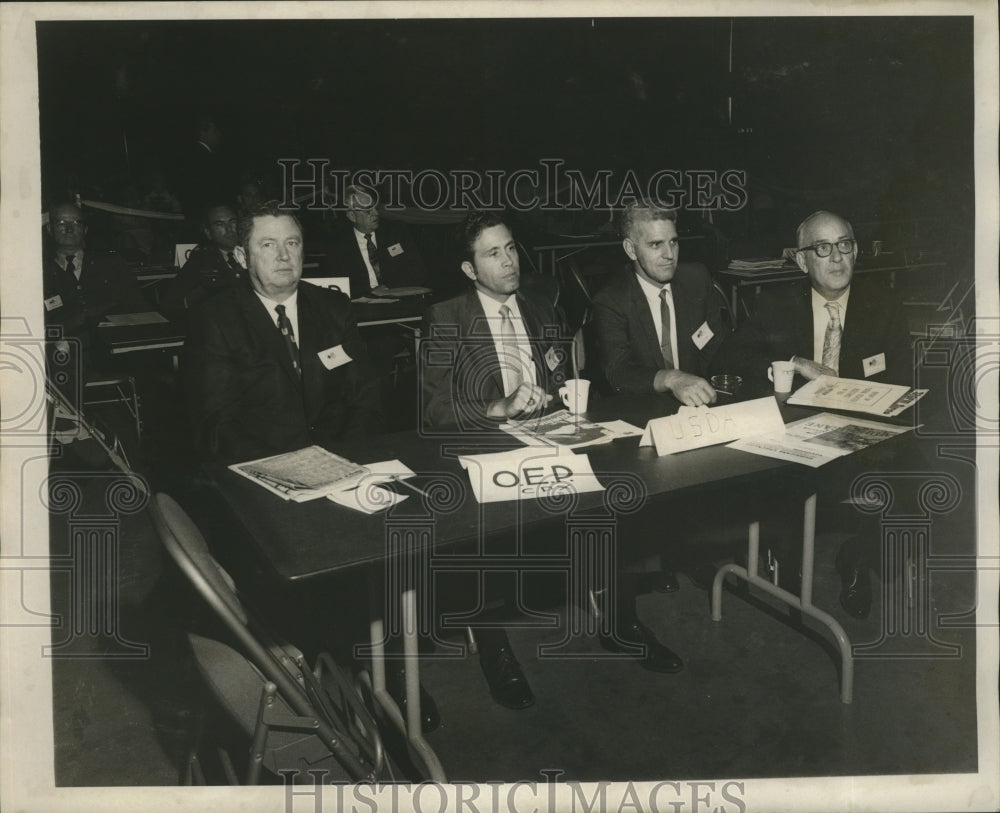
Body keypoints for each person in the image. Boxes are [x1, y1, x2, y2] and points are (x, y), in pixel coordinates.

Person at [715, 210, 915, 618]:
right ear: (802, 259)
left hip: (865, 438)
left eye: (845, 245)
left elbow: (906, 378)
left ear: (856, 251)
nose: (837, 258)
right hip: (800, 434)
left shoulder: (883, 305)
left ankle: (855, 557)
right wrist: (793, 361)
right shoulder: (777, 303)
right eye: (822, 248)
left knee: (916, 475)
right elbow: (728, 358)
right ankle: (787, 569)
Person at [181, 200, 382, 464]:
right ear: (242, 257)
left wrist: (346, 456)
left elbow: (365, 398)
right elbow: (216, 423)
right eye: (268, 245)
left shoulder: (334, 307)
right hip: (260, 466)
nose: (283, 256)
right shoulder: (215, 319)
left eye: (292, 243)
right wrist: (289, 469)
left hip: (339, 458)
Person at [593, 202, 727, 406]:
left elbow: (716, 346)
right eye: (656, 244)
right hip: (643, 408)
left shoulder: (697, 279)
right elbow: (618, 373)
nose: (669, 255)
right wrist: (672, 379)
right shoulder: (611, 300)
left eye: (673, 242)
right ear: (631, 249)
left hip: (700, 406)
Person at [43, 201, 149, 401]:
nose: (68, 228)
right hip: (61, 353)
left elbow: (138, 307)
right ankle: (72, 426)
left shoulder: (112, 264)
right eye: (61, 223)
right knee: (62, 357)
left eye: (75, 222)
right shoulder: (39, 271)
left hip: (111, 350)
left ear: (85, 229)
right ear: (49, 229)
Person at [319, 185, 428, 298]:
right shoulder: (338, 245)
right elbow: (335, 285)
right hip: (361, 305)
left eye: (375, 207)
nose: (376, 213)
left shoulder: (396, 232)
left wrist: (388, 287)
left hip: (400, 298)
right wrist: (370, 292)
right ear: (352, 216)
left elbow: (419, 272)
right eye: (368, 210)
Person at [160, 204, 244, 320]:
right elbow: (170, 305)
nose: (229, 229)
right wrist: (201, 292)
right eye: (219, 224)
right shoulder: (201, 260)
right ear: (208, 233)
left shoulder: (258, 252)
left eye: (232, 222)